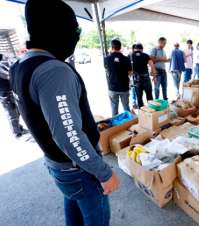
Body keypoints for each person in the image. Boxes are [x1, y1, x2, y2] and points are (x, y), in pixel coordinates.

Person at [10, 1, 118, 225]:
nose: (76, 36)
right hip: (77, 168)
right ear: (57, 29)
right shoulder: (54, 71)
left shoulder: (21, 65)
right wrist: (104, 173)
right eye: (74, 30)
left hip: (58, 164)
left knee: (74, 205)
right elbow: (68, 135)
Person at [0, 54, 28, 138]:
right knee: (12, 113)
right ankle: (17, 132)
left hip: (8, 92)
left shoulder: (2, 64)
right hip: (5, 93)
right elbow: (8, 76)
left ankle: (18, 128)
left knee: (16, 112)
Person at [104, 39, 131, 116]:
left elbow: (107, 69)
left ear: (112, 47)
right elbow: (130, 72)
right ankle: (129, 124)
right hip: (124, 87)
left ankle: (116, 126)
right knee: (126, 107)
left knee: (114, 108)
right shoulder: (126, 59)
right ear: (120, 47)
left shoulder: (106, 59)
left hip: (112, 87)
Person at [131, 43, 156, 108]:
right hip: (146, 78)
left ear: (135, 49)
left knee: (139, 97)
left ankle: (142, 113)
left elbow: (128, 69)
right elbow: (152, 65)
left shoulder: (130, 56)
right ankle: (151, 111)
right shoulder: (145, 55)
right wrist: (154, 76)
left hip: (136, 79)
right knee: (149, 96)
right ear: (142, 49)